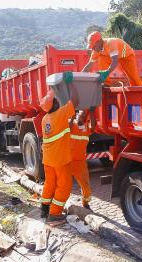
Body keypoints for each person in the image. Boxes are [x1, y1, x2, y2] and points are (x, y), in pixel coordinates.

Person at [40, 82, 79, 225]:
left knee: (50, 183)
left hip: (48, 159)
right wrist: (72, 83)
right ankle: (55, 213)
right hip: (60, 159)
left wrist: (72, 119)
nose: (57, 101)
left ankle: (44, 209)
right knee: (64, 186)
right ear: (54, 105)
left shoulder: (46, 119)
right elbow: (75, 101)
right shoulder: (60, 113)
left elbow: (62, 129)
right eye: (55, 100)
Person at [69, 109, 96, 210]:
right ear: (76, 114)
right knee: (62, 185)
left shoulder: (85, 127)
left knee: (86, 185)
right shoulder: (71, 123)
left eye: (85, 115)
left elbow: (92, 127)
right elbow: (68, 128)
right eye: (82, 113)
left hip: (80, 162)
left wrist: (92, 112)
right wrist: (72, 117)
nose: (83, 116)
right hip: (68, 161)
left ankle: (85, 203)